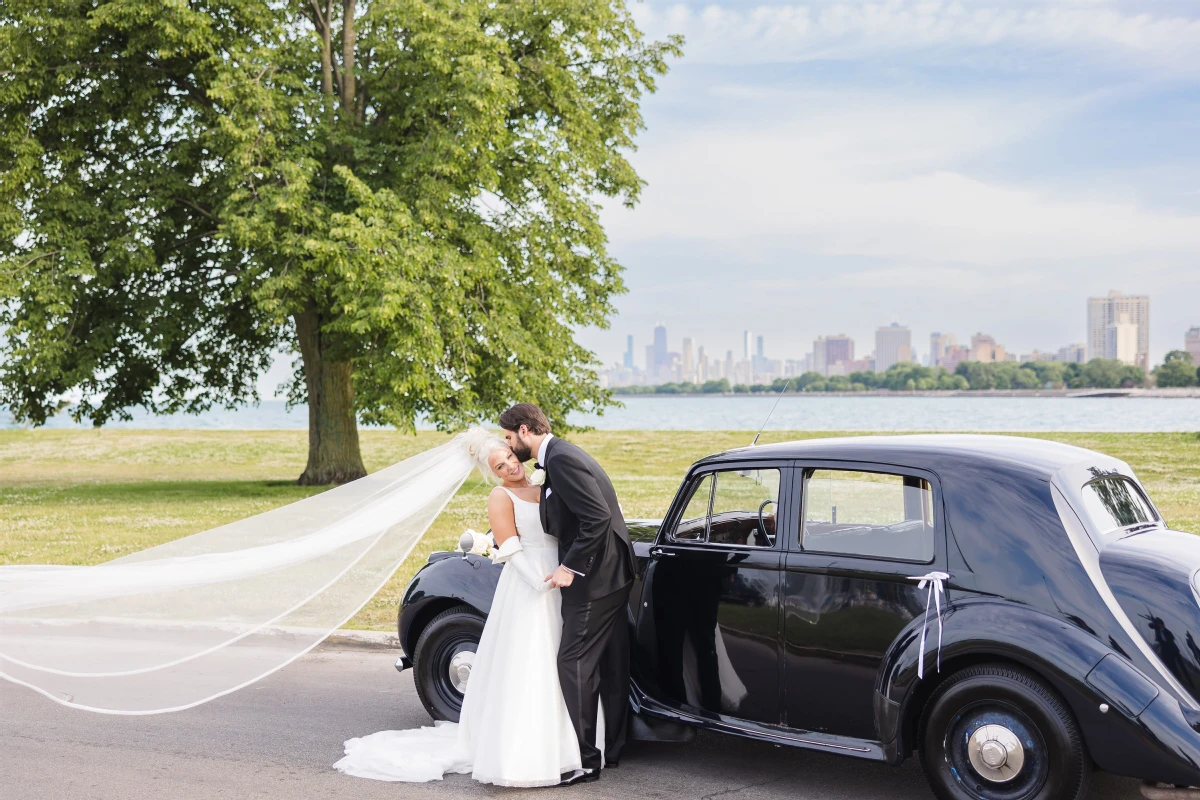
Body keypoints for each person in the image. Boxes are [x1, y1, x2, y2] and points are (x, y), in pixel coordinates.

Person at [334, 427, 596, 787]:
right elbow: (508, 547)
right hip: (530, 583)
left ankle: (570, 745)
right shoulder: (501, 497)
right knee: (531, 664)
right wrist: (538, 582)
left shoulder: (542, 482)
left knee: (562, 661)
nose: (510, 467)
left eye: (509, 459)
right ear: (493, 473)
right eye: (500, 467)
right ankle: (527, 753)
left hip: (561, 576)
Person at [499, 403, 635, 786]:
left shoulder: (559, 460)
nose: (510, 445)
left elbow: (597, 516)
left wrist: (568, 567)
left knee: (572, 662)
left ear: (524, 431)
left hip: (596, 578)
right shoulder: (561, 454)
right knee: (610, 661)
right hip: (613, 572)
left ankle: (588, 761)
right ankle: (614, 747)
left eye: (510, 437)